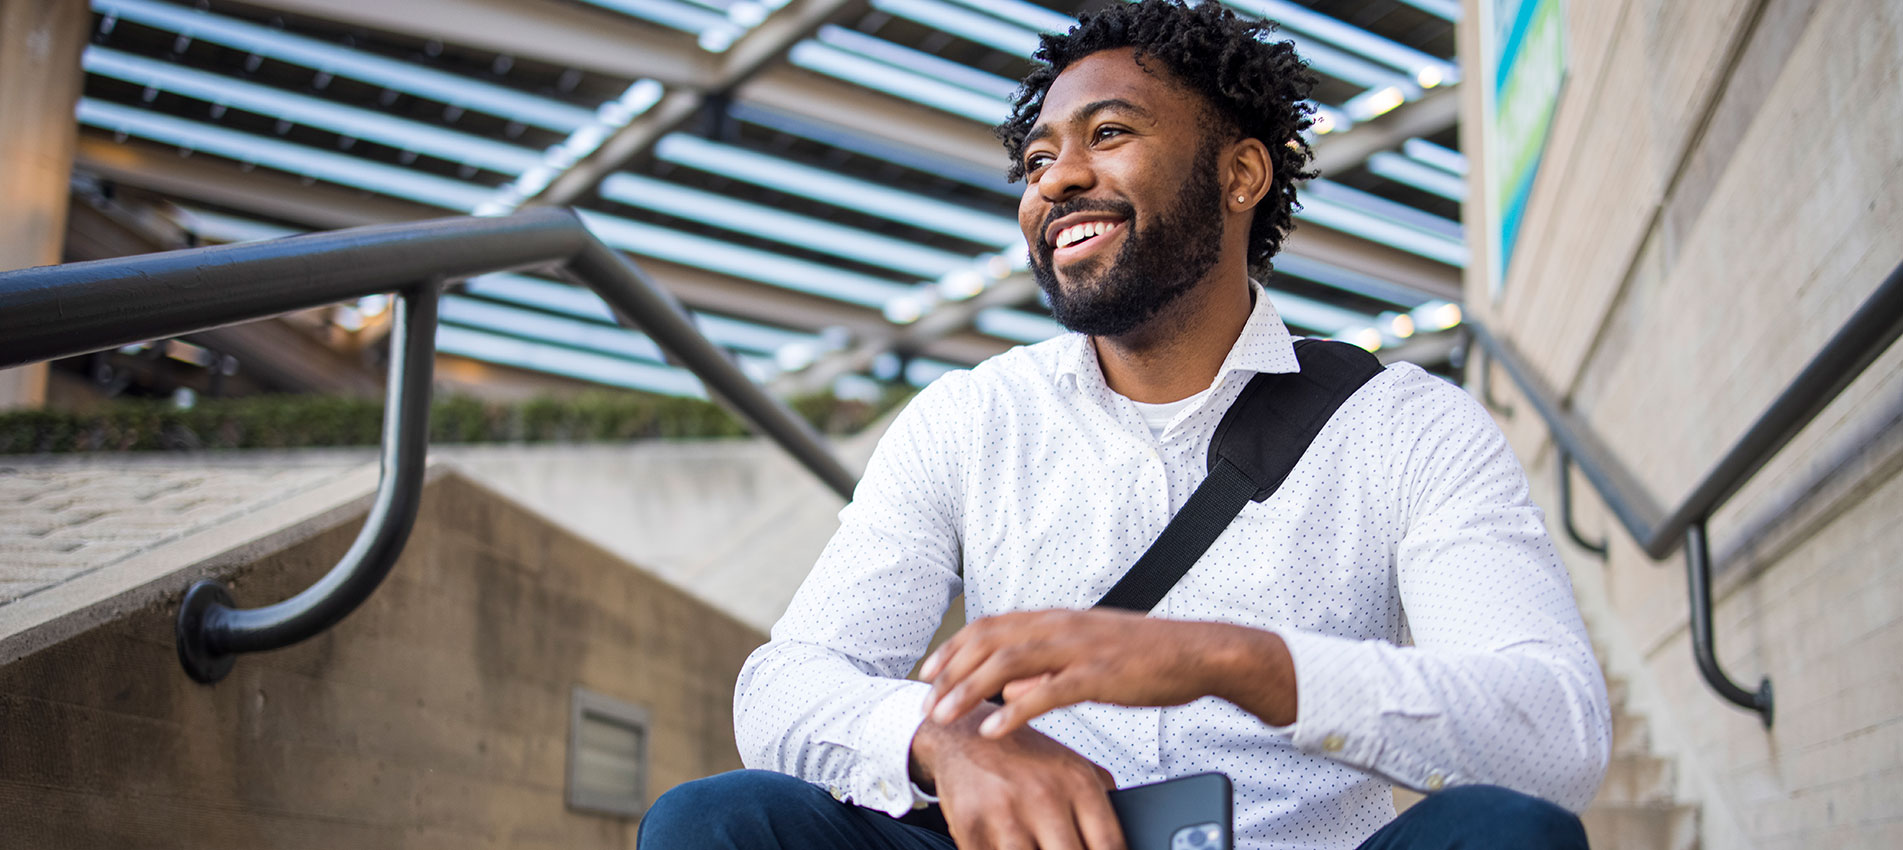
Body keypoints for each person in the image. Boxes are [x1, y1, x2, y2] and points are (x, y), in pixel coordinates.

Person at [639, 1, 1610, 847]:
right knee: (716, 822)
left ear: (1240, 176)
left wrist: (1232, 660)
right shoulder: (971, 419)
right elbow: (782, 686)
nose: (1055, 180)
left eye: (1108, 134)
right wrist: (940, 742)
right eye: (1037, 157)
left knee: (1504, 832)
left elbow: (1556, 736)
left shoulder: (1405, 427)